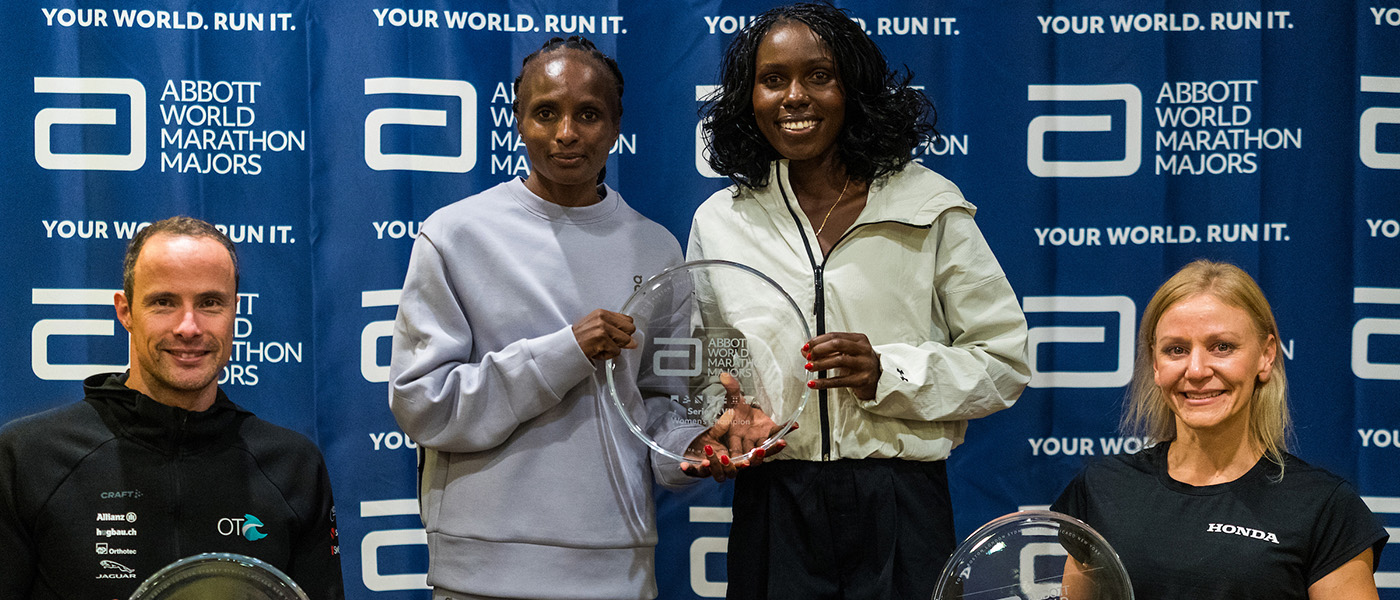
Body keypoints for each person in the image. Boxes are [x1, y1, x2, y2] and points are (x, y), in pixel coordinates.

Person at [389, 36, 777, 600]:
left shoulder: (656, 249)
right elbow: (424, 404)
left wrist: (692, 448)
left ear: (616, 126)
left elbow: (660, 406)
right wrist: (565, 351)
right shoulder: (454, 235)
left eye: (588, 114)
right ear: (518, 120)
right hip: (480, 573)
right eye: (546, 112)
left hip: (617, 570)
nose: (566, 132)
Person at [690, 3, 1031, 598]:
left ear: (853, 90)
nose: (794, 96)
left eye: (819, 76)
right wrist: (721, 421)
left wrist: (887, 372)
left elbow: (1003, 363)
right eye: (773, 80)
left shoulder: (928, 204)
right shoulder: (721, 220)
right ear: (749, 99)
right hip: (774, 503)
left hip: (901, 502)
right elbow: (713, 369)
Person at [0, 216, 344, 600]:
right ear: (125, 311)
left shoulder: (293, 465)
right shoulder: (29, 456)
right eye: (164, 302)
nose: (188, 327)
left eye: (210, 303)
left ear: (235, 311)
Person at [1052, 259, 1388, 600]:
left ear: (1266, 356)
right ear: (1155, 364)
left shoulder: (1324, 507)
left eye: (1222, 347)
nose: (1196, 370)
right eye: (1176, 350)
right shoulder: (1102, 488)